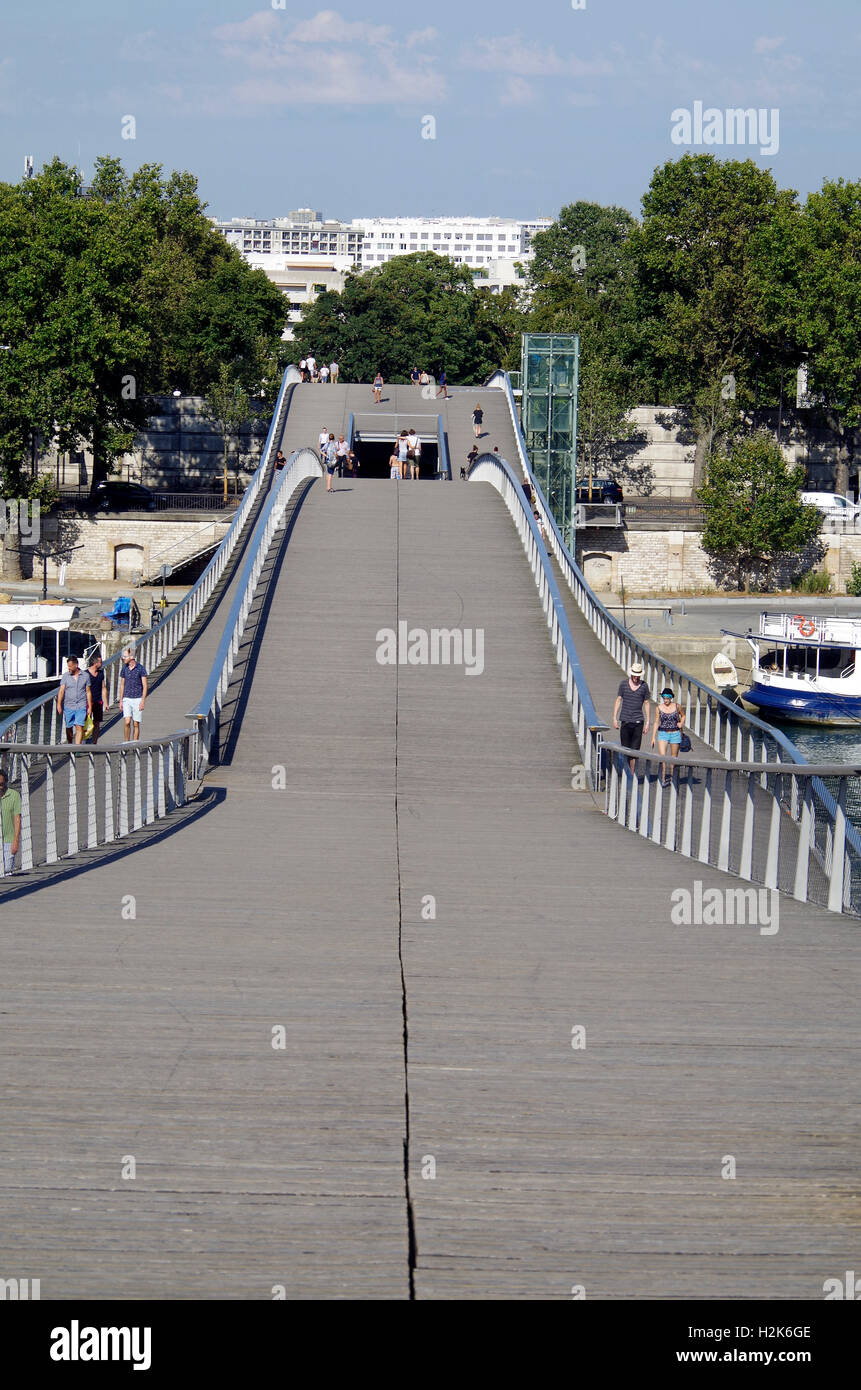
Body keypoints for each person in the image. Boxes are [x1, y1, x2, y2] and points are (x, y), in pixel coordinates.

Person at [612, 661, 651, 774]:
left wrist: (648, 722)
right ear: (631, 674)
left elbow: (647, 703)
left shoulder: (644, 686)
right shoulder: (623, 684)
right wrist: (614, 718)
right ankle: (625, 772)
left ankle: (631, 775)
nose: (636, 677)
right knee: (625, 748)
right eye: (634, 675)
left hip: (638, 722)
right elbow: (618, 700)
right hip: (625, 720)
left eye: (638, 675)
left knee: (634, 751)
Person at [652, 687, 685, 787]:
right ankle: (662, 779)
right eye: (664, 698)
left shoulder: (677, 706)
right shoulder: (658, 708)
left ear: (671, 698)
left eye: (668, 698)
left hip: (675, 733)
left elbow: (683, 715)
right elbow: (657, 722)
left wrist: (681, 723)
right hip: (663, 733)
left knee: (673, 759)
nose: (666, 700)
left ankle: (672, 777)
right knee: (663, 758)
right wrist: (653, 737)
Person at [57, 654, 90, 745]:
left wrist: (89, 706)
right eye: (68, 666)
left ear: (76, 665)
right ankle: (70, 743)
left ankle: (76, 748)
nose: (69, 668)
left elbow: (88, 692)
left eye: (70, 666)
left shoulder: (85, 676)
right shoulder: (65, 676)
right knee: (69, 727)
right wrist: (59, 704)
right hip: (68, 706)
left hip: (81, 705)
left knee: (79, 726)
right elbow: (61, 691)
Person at [118, 646, 148, 743]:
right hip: (127, 698)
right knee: (127, 722)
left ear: (131, 657)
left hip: (137, 698)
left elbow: (145, 685)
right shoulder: (124, 669)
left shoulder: (140, 668)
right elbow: (122, 685)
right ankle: (127, 743)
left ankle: (134, 744)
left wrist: (143, 700)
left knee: (136, 723)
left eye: (125, 656)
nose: (123, 658)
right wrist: (121, 700)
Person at [0, 768, 21, 876]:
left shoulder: (14, 795)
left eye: (1, 784)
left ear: (6, 782)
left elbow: (17, 819)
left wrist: (16, 841)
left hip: (8, 841)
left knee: (7, 872)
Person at [86, 652, 109, 746]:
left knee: (97, 723)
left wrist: (106, 703)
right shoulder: (85, 674)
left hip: (98, 701)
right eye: (100, 662)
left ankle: (94, 743)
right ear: (96, 663)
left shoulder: (100, 673)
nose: (102, 664)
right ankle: (82, 742)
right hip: (88, 702)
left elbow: (103, 688)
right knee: (85, 722)